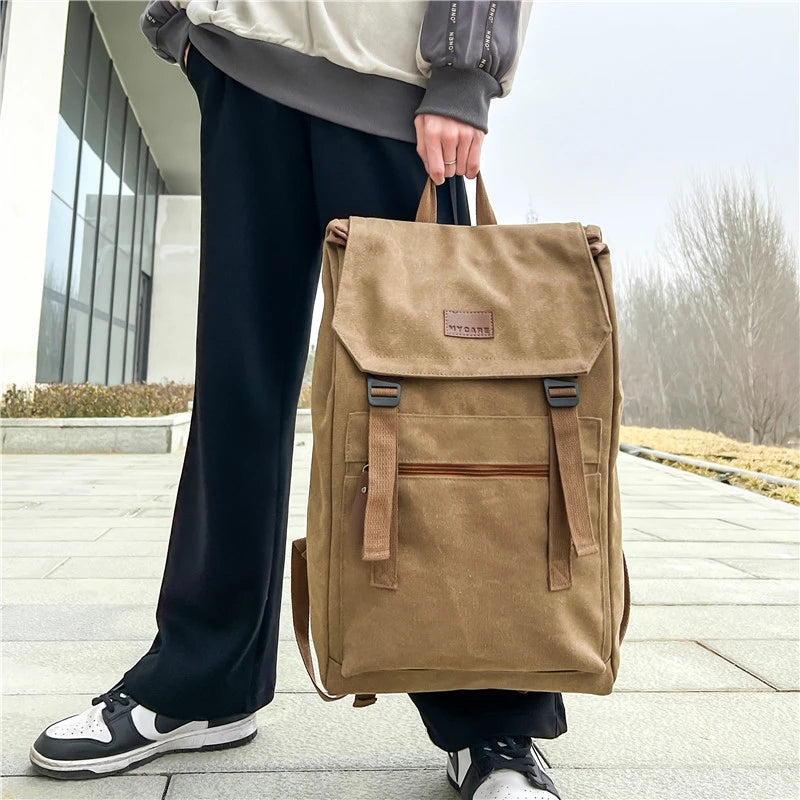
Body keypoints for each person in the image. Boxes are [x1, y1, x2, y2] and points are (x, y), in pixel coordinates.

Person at [29, 2, 566, 798]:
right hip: (245, 63)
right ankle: (205, 681)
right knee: (236, 391)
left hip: (395, 84)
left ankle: (489, 720)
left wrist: (465, 67)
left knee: (433, 414)